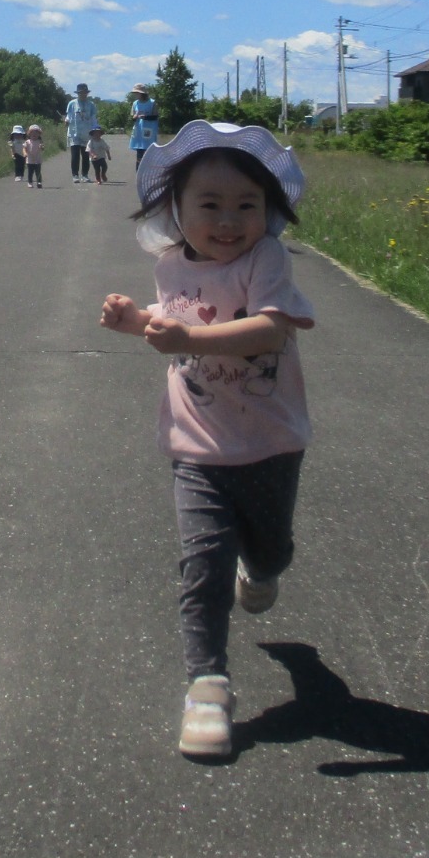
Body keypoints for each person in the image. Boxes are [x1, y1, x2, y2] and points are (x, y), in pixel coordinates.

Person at [99, 121, 314, 762]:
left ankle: (264, 568)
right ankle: (207, 686)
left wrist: (186, 340)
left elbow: (270, 331)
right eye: (210, 206)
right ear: (176, 212)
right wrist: (136, 320)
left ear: (269, 211)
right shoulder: (170, 267)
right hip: (195, 442)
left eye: (247, 205)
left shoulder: (266, 260)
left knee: (271, 551)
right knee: (202, 567)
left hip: (270, 441)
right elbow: (175, 324)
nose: (228, 221)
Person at [65, 82, 97, 183]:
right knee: (75, 155)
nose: (83, 94)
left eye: (84, 92)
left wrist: (95, 131)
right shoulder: (72, 103)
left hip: (87, 133)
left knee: (85, 155)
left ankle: (85, 175)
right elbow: (69, 116)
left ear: (87, 93)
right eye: (81, 92)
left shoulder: (91, 105)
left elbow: (93, 119)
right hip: (74, 132)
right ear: (77, 93)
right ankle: (75, 175)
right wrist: (66, 121)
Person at [128, 82, 160, 170]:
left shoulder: (152, 103)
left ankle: (149, 173)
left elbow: (155, 116)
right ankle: (138, 174)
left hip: (148, 133)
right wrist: (135, 116)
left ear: (142, 93)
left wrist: (145, 117)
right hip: (139, 132)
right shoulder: (135, 103)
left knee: (148, 154)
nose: (135, 95)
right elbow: (132, 117)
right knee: (139, 154)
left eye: (136, 93)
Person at [22, 123, 44, 188]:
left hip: (38, 159)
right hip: (30, 160)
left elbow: (43, 148)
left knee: (38, 172)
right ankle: (30, 182)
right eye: (32, 133)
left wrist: (41, 147)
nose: (34, 134)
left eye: (36, 133)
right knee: (30, 172)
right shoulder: (27, 142)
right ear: (29, 134)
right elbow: (24, 148)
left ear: (39, 134)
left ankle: (39, 182)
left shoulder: (39, 141)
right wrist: (25, 153)